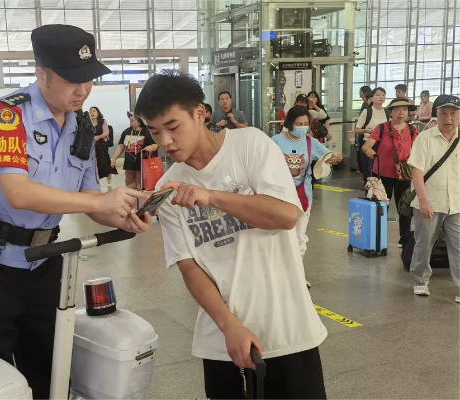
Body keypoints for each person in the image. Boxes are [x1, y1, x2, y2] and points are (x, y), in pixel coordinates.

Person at [0, 25, 153, 400]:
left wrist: (121, 215)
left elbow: (91, 195)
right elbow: (17, 192)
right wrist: (97, 203)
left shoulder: (81, 124)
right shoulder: (7, 115)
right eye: (71, 79)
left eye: (88, 79)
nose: (82, 90)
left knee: (48, 365)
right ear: (41, 73)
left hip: (46, 262)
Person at [136, 71, 328, 400]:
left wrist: (211, 196)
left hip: (287, 329)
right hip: (222, 341)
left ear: (200, 114)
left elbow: (285, 216)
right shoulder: (168, 188)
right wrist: (229, 327)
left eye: (172, 126)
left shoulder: (250, 144)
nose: (166, 141)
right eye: (155, 131)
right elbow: (189, 267)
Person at [272, 106, 342, 284]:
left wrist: (335, 157)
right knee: (278, 235)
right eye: (298, 124)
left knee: (299, 235)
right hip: (279, 195)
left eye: (305, 124)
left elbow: (328, 156)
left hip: (303, 195)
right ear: (289, 123)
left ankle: (297, 278)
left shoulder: (311, 143)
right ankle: (277, 275)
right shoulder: (275, 142)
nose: (302, 127)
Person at [408, 96, 460, 300]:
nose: (449, 117)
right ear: (436, 115)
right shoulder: (425, 138)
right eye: (443, 113)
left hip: (456, 204)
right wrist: (423, 200)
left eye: (453, 113)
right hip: (430, 201)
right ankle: (420, 280)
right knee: (424, 243)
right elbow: (417, 171)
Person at [362, 98, 419, 248]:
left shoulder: (412, 130)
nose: (401, 113)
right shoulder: (381, 128)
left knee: (404, 207)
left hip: (404, 175)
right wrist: (369, 151)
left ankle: (405, 237)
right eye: (397, 110)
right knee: (380, 207)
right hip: (381, 175)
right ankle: (377, 236)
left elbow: (419, 150)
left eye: (405, 110)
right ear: (391, 112)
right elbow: (367, 145)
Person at [110, 112, 158, 189]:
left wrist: (151, 147)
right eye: (130, 118)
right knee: (129, 186)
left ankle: (140, 200)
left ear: (140, 120)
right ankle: (131, 200)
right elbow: (121, 146)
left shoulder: (148, 132)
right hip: (129, 165)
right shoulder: (126, 132)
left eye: (133, 118)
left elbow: (156, 144)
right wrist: (114, 158)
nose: (131, 119)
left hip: (142, 165)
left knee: (141, 186)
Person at [354, 87, 387, 182]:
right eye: (378, 95)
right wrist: (366, 130)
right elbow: (356, 130)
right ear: (371, 98)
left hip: (383, 145)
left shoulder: (387, 112)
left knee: (382, 173)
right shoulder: (367, 112)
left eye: (383, 95)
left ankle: (382, 195)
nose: (381, 97)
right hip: (368, 144)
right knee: (369, 173)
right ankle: (370, 195)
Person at [89, 106, 117, 184]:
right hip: (92, 145)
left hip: (101, 144)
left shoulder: (102, 121)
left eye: (94, 111)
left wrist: (98, 137)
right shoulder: (88, 122)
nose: (92, 113)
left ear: (98, 113)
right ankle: (96, 179)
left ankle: (108, 174)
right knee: (94, 161)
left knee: (104, 160)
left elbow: (106, 132)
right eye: (90, 111)